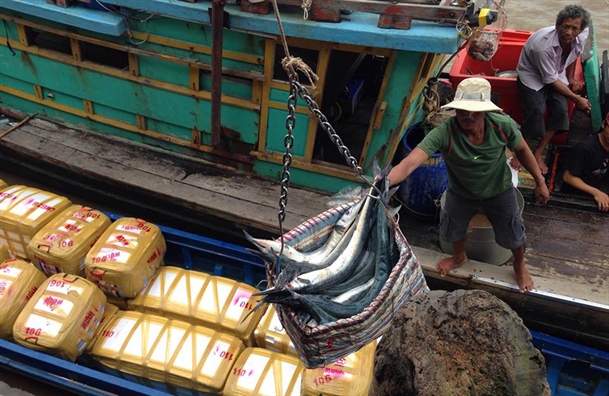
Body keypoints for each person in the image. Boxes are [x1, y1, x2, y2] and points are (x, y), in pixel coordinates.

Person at [388, 77, 549, 293]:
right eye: (463, 109)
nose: (468, 115)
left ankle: (519, 266)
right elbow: (410, 163)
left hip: (499, 189)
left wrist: (540, 181)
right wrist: (383, 182)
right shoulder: (445, 132)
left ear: (485, 111)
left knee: (513, 233)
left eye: (475, 110)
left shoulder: (502, 125)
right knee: (452, 229)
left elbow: (522, 150)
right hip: (461, 191)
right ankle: (459, 256)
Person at [514, 4, 591, 174]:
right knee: (536, 111)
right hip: (532, 75)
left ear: (580, 30)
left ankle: (538, 151)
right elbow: (549, 80)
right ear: (557, 25)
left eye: (574, 28)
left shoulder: (582, 36)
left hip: (557, 72)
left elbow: (573, 55)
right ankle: (521, 151)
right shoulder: (543, 47)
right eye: (565, 27)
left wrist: (570, 78)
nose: (569, 32)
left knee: (561, 111)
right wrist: (577, 98)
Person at [562, 112, 609, 211]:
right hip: (574, 196)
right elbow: (568, 177)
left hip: (598, 190)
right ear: (604, 125)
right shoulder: (586, 148)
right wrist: (596, 192)